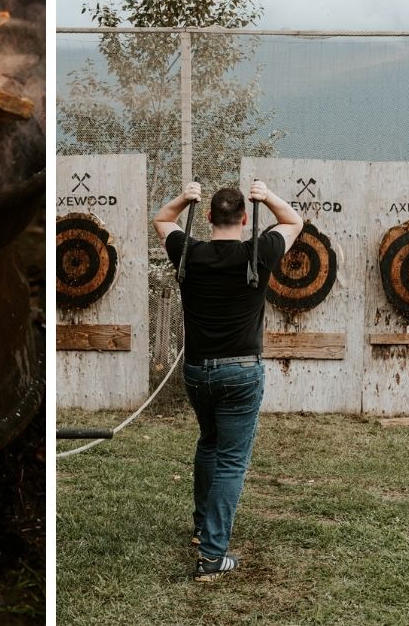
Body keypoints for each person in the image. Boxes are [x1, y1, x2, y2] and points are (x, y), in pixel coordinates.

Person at [154, 180, 301, 581]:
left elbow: (163, 219)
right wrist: (267, 195)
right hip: (241, 372)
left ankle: (202, 528)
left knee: (209, 442)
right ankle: (212, 556)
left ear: (207, 217)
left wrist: (184, 197)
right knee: (231, 461)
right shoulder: (260, 251)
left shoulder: (189, 251)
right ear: (244, 219)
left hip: (197, 371)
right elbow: (293, 221)